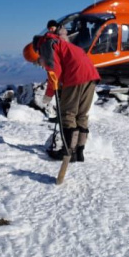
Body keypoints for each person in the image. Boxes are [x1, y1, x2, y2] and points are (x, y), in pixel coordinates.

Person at [34, 20, 101, 162]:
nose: (40, 62)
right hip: (91, 75)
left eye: (38, 59)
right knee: (81, 114)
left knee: (68, 114)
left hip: (75, 76)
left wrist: (49, 94)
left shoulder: (46, 45)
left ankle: (68, 152)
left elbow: (54, 71)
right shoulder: (62, 43)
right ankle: (79, 152)